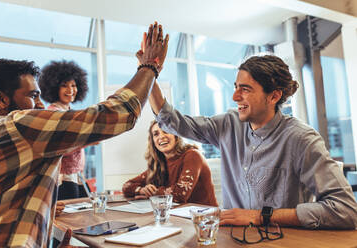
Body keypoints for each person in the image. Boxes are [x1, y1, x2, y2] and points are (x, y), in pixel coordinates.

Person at [0, 22, 168, 247]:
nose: (40, 104)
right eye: (33, 96)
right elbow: (119, 113)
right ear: (1, 99)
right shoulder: (19, 127)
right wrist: (150, 66)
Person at [149, 54, 357, 229]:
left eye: (245, 89)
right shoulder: (228, 125)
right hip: (232, 238)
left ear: (274, 96)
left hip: (280, 240)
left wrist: (261, 216)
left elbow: (346, 209)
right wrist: (149, 72)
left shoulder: (301, 139)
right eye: (236, 87)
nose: (234, 96)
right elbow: (172, 122)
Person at [122, 120, 218, 206]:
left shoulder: (192, 155)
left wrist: (151, 194)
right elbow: (127, 186)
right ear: (153, 142)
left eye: (166, 131)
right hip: (177, 217)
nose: (161, 137)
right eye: (156, 134)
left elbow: (179, 195)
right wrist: (141, 190)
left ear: (176, 135)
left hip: (203, 218)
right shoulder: (159, 164)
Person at [38, 60, 92, 200]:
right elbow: (60, 146)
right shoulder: (54, 113)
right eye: (64, 86)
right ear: (54, 88)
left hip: (77, 176)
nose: (71, 90)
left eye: (73, 85)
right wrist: (88, 141)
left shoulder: (69, 112)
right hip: (63, 178)